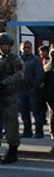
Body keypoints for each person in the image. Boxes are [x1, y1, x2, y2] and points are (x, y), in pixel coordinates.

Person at [0, 33, 24, 164]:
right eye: (2, 44)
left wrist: (4, 82)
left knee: (11, 125)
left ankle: (13, 151)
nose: (4, 47)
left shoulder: (15, 59)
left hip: (9, 96)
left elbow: (20, 74)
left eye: (6, 45)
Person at [18, 40, 45, 138]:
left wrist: (34, 86)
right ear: (21, 49)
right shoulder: (18, 60)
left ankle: (39, 132)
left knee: (36, 113)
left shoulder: (36, 60)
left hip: (33, 91)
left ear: (31, 48)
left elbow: (40, 74)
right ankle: (27, 132)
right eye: (24, 47)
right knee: (24, 113)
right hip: (21, 90)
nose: (26, 49)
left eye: (28, 47)